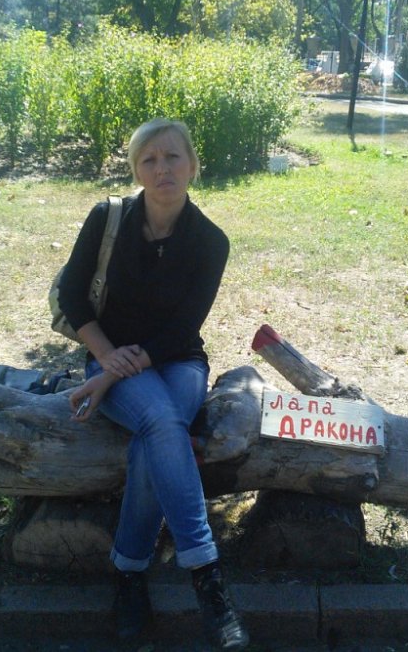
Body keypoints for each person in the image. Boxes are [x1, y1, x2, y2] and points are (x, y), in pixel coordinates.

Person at [57, 118, 248, 650]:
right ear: (136, 171)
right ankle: (208, 578)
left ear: (192, 165)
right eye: (150, 160)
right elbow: (72, 296)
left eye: (172, 157)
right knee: (163, 422)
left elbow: (182, 328)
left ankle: (128, 573)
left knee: (155, 436)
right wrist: (106, 361)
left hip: (178, 362)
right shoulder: (107, 218)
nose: (162, 169)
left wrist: (110, 378)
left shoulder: (210, 241)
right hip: (110, 354)